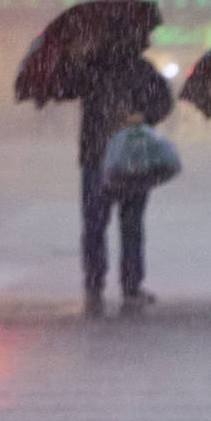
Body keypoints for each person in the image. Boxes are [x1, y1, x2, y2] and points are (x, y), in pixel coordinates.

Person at [78, 35, 173, 318]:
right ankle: (129, 284)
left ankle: (96, 282)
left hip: (101, 157)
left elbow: (162, 102)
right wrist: (144, 115)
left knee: (98, 224)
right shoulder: (138, 69)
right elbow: (163, 102)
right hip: (126, 158)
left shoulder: (91, 69)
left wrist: (141, 115)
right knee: (128, 224)